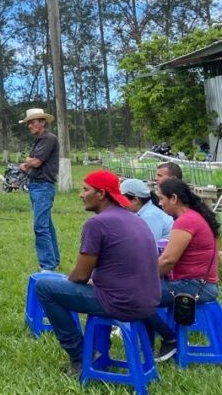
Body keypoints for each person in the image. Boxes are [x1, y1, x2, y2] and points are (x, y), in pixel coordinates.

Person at [34, 170, 160, 376]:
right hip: (149, 301)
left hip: (121, 303)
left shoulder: (97, 223)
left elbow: (80, 276)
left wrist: (69, 282)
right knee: (78, 285)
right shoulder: (134, 218)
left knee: (44, 286)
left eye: (85, 189)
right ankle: (96, 351)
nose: (81, 194)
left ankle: (80, 355)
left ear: (101, 194)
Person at [144, 178, 220, 361]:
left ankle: (169, 338)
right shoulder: (193, 216)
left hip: (194, 286)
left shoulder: (185, 221)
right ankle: (148, 348)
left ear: (174, 198)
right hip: (197, 283)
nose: (160, 203)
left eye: (161, 199)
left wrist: (141, 278)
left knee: (135, 296)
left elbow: (168, 260)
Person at [18, 108, 60, 271]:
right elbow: (32, 162)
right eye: (29, 122)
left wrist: (28, 161)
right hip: (37, 185)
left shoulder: (48, 138)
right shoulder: (40, 139)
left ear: (43, 122)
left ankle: (48, 266)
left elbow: (36, 162)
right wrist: (28, 163)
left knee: (40, 227)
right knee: (47, 226)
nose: (30, 125)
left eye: (33, 122)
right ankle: (53, 260)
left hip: (43, 186)